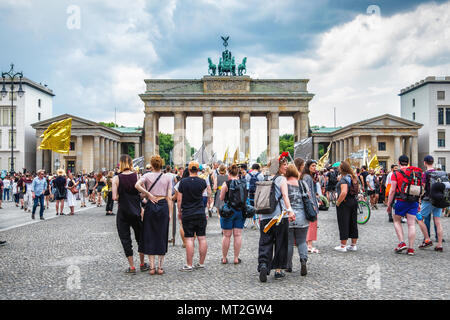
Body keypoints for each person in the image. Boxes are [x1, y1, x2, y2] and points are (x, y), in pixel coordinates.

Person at [257, 154, 296, 282]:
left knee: (265, 241)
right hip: (279, 217)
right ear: (278, 167)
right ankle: (278, 270)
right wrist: (290, 211)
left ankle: (263, 264)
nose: (286, 167)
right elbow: (285, 196)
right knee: (281, 242)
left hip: (265, 216)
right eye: (284, 164)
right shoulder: (282, 180)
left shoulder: (263, 177)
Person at [135, 156, 173, 275]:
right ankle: (160, 267)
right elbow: (169, 198)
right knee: (162, 234)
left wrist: (148, 194)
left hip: (151, 204)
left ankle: (151, 267)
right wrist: (170, 213)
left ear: (151, 165)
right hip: (163, 205)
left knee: (150, 234)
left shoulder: (146, 176)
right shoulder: (167, 177)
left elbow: (137, 185)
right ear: (161, 164)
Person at [112, 154, 149, 274]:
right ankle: (142, 264)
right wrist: (135, 196)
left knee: (125, 239)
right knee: (140, 237)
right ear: (131, 163)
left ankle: (132, 266)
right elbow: (143, 194)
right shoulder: (137, 176)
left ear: (121, 164)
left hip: (123, 212)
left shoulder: (116, 178)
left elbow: (114, 197)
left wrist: (122, 195)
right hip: (136, 211)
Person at [177, 161, 208, 272]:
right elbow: (204, 194)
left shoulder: (183, 182)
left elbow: (179, 199)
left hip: (188, 212)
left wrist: (179, 211)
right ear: (198, 170)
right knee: (202, 238)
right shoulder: (202, 182)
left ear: (189, 170)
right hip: (200, 212)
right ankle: (201, 263)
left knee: (189, 239)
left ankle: (189, 264)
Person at [387, 155, 419, 255]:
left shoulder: (395, 174)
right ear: (408, 162)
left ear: (399, 162)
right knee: (411, 224)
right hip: (413, 200)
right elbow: (419, 188)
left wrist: (389, 204)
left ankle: (401, 242)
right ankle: (411, 249)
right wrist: (419, 202)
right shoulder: (414, 172)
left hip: (401, 200)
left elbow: (392, 190)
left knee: (397, 221)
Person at [219, 164, 246, 265]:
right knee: (238, 235)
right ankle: (236, 258)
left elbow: (221, 198)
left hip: (228, 211)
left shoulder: (226, 184)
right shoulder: (243, 183)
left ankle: (224, 258)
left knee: (226, 236)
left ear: (229, 173)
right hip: (240, 211)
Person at [286, 161, 309, 276]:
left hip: (288, 216)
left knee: (289, 243)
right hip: (302, 216)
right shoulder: (303, 183)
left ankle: (288, 265)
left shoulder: (284, 183)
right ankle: (303, 260)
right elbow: (308, 197)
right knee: (301, 241)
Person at [417, 155, 444, 252]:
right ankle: (440, 244)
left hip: (428, 200)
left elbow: (424, 187)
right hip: (439, 199)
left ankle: (427, 239)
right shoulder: (439, 173)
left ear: (424, 163)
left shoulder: (426, 174)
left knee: (419, 218)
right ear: (433, 162)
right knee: (438, 221)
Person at [334, 161, 359, 252]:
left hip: (345, 202)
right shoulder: (354, 177)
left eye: (339, 167)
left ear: (342, 168)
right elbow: (357, 189)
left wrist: (338, 202)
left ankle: (343, 245)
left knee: (343, 222)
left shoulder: (344, 179)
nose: (338, 168)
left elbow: (344, 192)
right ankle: (353, 245)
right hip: (353, 200)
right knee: (353, 222)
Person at [303, 160, 320, 254]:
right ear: (308, 166)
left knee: (310, 224)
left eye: (315, 166)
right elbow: (308, 192)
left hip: (310, 202)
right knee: (312, 224)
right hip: (311, 203)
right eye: (313, 166)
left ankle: (307, 243)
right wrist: (313, 205)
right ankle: (309, 245)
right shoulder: (308, 177)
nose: (315, 168)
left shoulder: (307, 176)